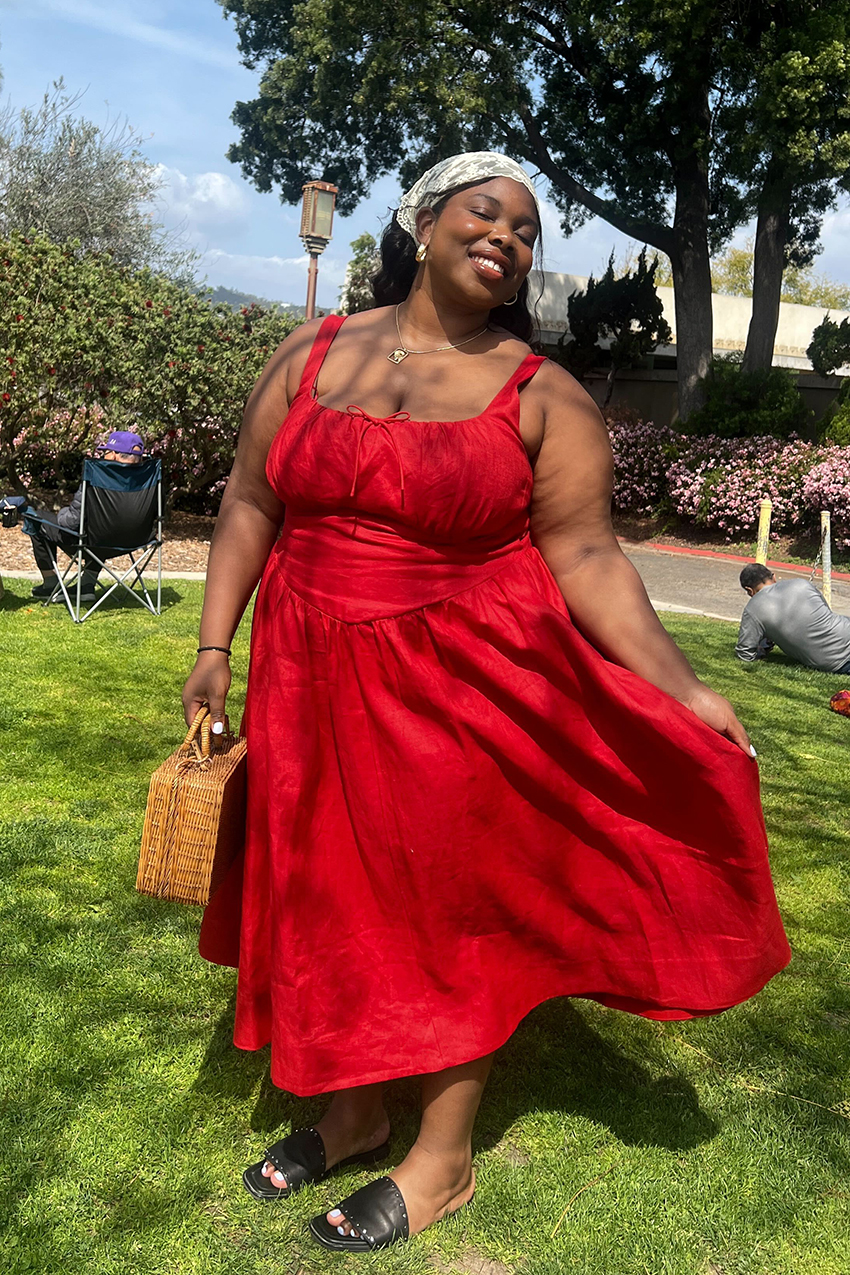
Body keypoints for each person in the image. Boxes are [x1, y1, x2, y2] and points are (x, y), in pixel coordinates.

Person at [183, 152, 790, 1254]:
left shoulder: (540, 393)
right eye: (484, 211)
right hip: (306, 671)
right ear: (422, 224)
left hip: (464, 685)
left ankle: (443, 1156)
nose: (505, 236)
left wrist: (683, 686)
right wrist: (214, 642)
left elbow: (591, 558)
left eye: (524, 230)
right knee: (325, 892)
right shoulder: (311, 352)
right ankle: (357, 1108)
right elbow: (250, 500)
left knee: (442, 906)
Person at [27, 430, 145, 601]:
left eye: (105, 452)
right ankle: (86, 585)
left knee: (35, 518)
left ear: (113, 456)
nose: (102, 456)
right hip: (135, 541)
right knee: (103, 527)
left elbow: (71, 522)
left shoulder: (98, 475)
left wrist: (61, 513)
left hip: (96, 541)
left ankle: (51, 584)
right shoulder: (149, 478)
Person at [736, 563, 850, 673]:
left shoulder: (752, 609)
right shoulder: (801, 583)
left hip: (834, 662)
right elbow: (825, 612)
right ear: (774, 577)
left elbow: (745, 653)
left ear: (750, 590)